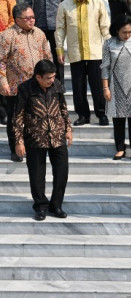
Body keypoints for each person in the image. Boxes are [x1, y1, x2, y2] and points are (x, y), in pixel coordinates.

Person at [13, 60, 73, 221]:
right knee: (37, 175)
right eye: (48, 78)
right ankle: (40, 206)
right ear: (38, 77)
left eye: (53, 77)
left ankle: (56, 205)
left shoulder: (57, 85)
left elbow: (63, 108)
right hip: (35, 137)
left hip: (57, 135)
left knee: (62, 173)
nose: (52, 80)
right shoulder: (25, 88)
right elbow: (18, 116)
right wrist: (18, 141)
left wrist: (68, 129)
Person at [55, 0, 111, 127]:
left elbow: (105, 27)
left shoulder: (98, 3)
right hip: (76, 52)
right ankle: (82, 115)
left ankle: (102, 114)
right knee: (78, 86)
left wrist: (109, 47)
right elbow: (60, 29)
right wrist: (59, 49)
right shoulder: (64, 6)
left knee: (98, 85)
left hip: (96, 52)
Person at [0, 3, 52, 162]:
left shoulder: (40, 34)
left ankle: (33, 148)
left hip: (37, 85)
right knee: (15, 119)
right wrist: (3, 82)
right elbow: (1, 61)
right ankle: (15, 149)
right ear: (17, 20)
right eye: (27, 18)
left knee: (36, 118)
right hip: (16, 86)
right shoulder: (7, 36)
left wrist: (49, 78)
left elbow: (47, 57)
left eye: (33, 17)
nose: (31, 20)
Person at [101, 15, 131, 160]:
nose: (127, 35)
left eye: (130, 32)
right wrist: (105, 88)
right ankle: (120, 148)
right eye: (124, 32)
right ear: (117, 31)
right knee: (118, 119)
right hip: (116, 87)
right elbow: (105, 67)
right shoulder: (109, 44)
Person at [25, 0, 70, 81]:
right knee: (39, 56)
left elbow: (67, 0)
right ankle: (39, 83)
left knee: (58, 56)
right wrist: (28, 21)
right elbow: (28, 0)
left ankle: (59, 87)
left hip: (57, 24)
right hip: (38, 25)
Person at [0, 0, 16, 125]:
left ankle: (4, 112)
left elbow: (14, 18)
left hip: (4, 42)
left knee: (3, 76)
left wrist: (5, 32)